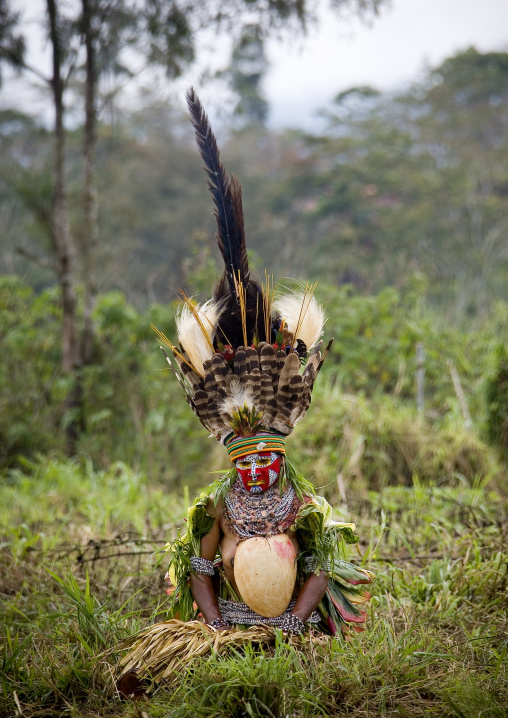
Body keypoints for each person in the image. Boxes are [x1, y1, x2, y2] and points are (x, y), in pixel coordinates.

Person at [115, 89, 373, 694]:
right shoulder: (218, 508)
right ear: (233, 459)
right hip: (228, 629)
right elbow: (202, 567)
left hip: (290, 632)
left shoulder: (303, 508)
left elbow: (320, 565)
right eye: (249, 460)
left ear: (281, 457)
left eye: (265, 460)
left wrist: (293, 620)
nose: (257, 469)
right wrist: (212, 626)